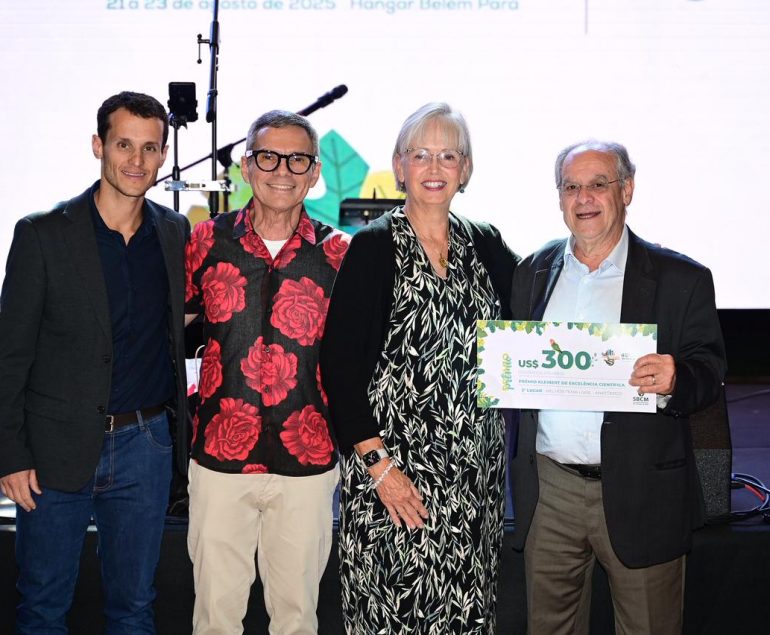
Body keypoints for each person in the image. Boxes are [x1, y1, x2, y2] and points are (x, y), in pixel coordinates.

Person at [509, 140, 726, 634]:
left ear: (626, 190)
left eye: (598, 184)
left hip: (642, 491)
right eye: (571, 187)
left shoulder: (681, 278)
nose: (583, 198)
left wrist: (676, 378)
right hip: (551, 491)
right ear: (559, 197)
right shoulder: (532, 271)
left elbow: (709, 372)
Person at [320, 102, 519, 634]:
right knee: (393, 611)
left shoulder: (486, 242)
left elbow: (536, 324)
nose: (435, 167)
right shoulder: (372, 247)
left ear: (465, 169)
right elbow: (339, 368)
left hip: (473, 483)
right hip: (394, 477)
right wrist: (380, 468)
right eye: (421, 154)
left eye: (448, 156)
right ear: (399, 165)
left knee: (465, 615)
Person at [0, 91, 189, 633]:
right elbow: (10, 353)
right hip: (54, 448)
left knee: (135, 607)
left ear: (163, 155)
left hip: (145, 446)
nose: (137, 160)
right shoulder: (42, 233)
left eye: (150, 148)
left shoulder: (173, 232)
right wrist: (10, 454)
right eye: (124, 145)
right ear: (98, 146)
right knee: (43, 607)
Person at [184, 110, 349, 635]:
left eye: (297, 159)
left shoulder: (340, 254)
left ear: (315, 171)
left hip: (308, 462)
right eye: (268, 157)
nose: (282, 170)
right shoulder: (204, 241)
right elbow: (169, 329)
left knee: (297, 618)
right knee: (214, 617)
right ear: (246, 165)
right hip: (218, 460)